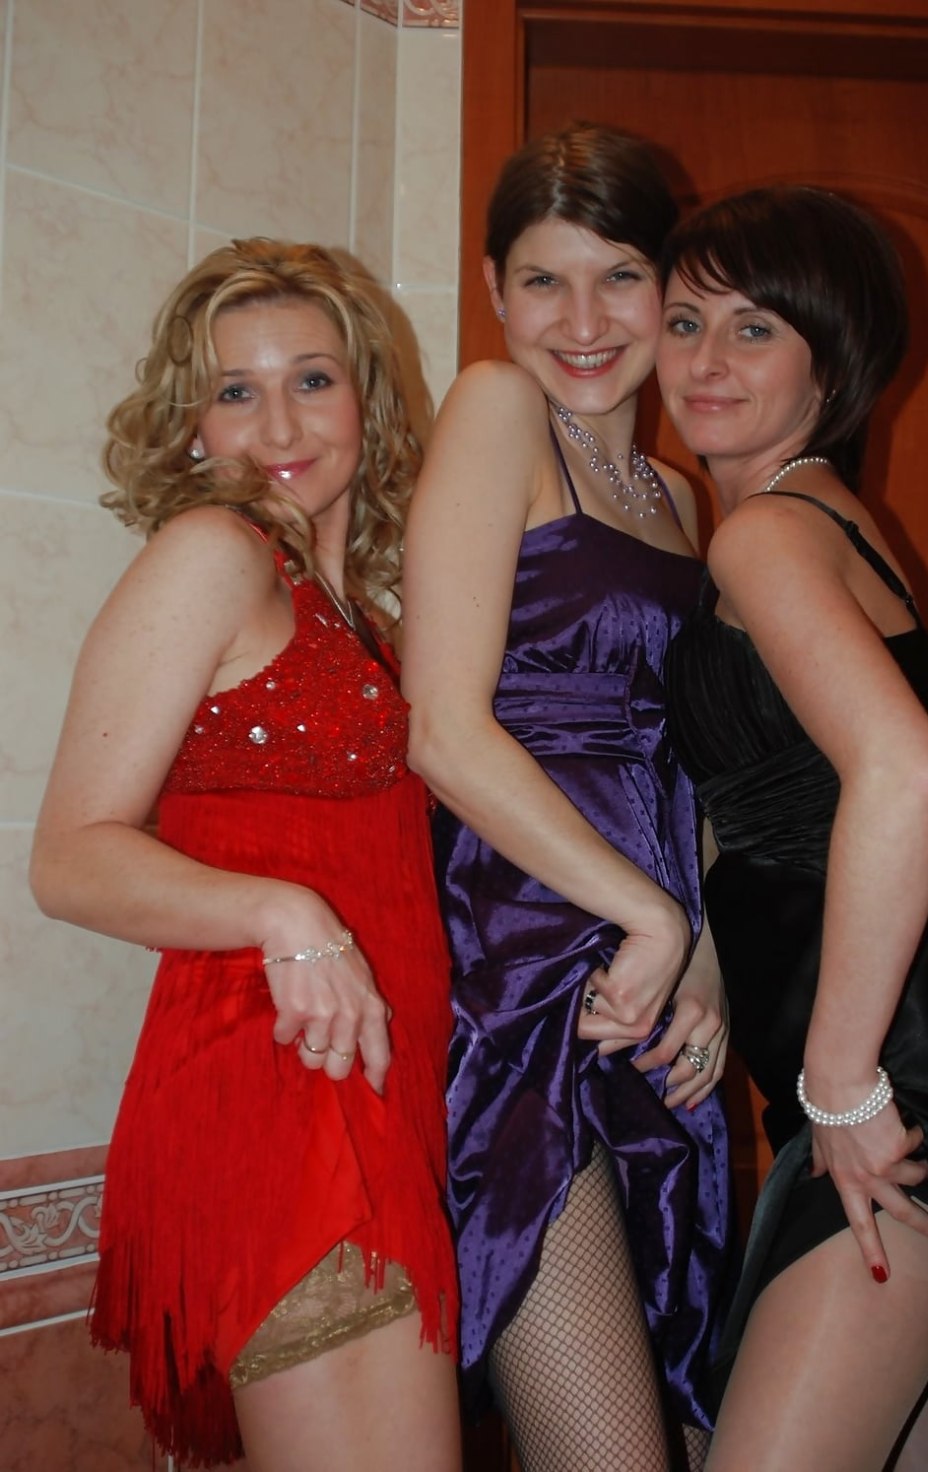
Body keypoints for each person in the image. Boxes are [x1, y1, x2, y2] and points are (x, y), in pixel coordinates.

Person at [29, 239, 461, 1471]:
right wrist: (286, 912)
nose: (279, 423)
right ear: (193, 423)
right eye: (236, 390)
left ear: (366, 399)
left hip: (368, 1089)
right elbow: (68, 858)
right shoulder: (213, 552)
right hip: (281, 1092)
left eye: (312, 379)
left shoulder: (357, 611)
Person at [401, 122, 734, 1472]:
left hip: (648, 990)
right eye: (544, 279)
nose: (583, 322)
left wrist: (697, 952)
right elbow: (442, 731)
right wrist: (651, 918)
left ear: (669, 288)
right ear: (493, 287)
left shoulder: (681, 496)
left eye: (620, 277)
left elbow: (683, 758)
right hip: (524, 974)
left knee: (693, 1419)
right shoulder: (498, 407)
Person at [657, 186, 928, 1472]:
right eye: (686, 320)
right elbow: (779, 801)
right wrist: (704, 958)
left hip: (893, 1097)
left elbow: (903, 776)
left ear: (831, 363)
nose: (704, 359)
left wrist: (843, 1078)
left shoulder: (768, 535)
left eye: (754, 329)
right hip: (901, 1082)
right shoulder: (809, 517)